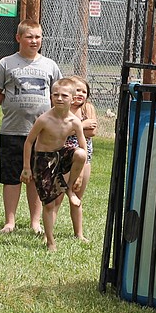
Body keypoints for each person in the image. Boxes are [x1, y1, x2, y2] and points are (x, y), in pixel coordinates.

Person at [0, 20, 62, 234]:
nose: (34, 41)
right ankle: (10, 221)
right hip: (13, 130)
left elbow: (56, 94)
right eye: (29, 36)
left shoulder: (50, 65)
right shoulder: (6, 64)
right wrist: (12, 102)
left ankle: (35, 222)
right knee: (12, 176)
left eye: (38, 37)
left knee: (37, 177)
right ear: (18, 38)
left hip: (42, 134)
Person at [21, 78, 88, 251]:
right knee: (49, 204)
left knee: (80, 153)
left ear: (72, 98)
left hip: (61, 154)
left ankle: (70, 189)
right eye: (55, 95)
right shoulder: (44, 119)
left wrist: (79, 175)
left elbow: (83, 146)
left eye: (64, 95)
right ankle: (50, 241)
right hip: (44, 159)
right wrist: (27, 168)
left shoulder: (74, 122)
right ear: (51, 97)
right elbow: (29, 143)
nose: (59, 98)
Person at [65, 75, 98, 242]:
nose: (80, 94)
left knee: (77, 197)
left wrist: (72, 128)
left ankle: (79, 234)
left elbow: (92, 132)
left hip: (85, 158)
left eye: (84, 91)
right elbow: (56, 131)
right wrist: (81, 126)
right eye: (77, 90)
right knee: (55, 199)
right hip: (62, 156)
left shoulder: (88, 109)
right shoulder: (61, 107)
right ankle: (47, 233)